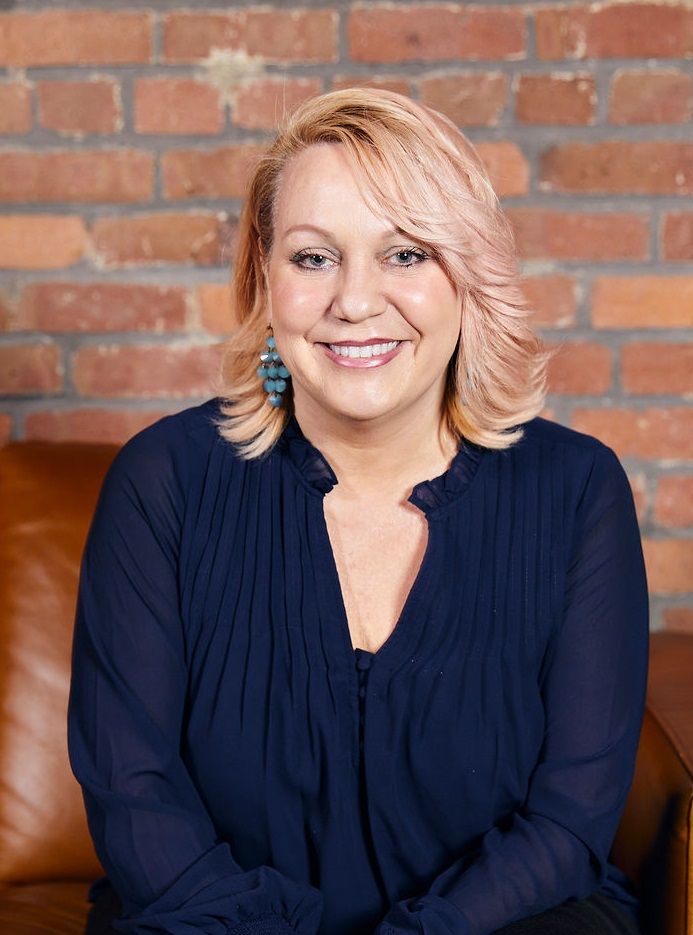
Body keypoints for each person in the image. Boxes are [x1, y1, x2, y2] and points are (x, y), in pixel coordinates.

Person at [68, 87, 649, 935]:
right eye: (313, 258)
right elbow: (132, 790)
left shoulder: (575, 490)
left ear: (469, 273)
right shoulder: (165, 480)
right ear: (264, 278)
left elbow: (569, 820)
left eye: (405, 255)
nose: (355, 300)